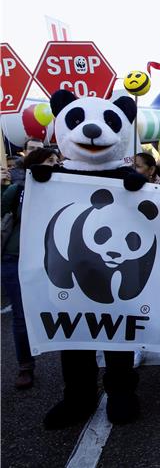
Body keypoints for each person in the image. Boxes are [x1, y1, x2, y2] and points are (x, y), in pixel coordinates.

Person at [1, 148, 60, 389]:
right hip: (16, 257)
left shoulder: (64, 189)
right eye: (49, 161)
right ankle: (25, 366)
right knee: (21, 315)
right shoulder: (18, 191)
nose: (54, 165)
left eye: (57, 161)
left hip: (53, 259)